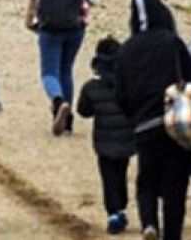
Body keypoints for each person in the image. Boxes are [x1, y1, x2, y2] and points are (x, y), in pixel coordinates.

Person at [115, 0, 191, 240]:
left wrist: (135, 116)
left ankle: (149, 223)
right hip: (176, 121)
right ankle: (172, 234)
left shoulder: (127, 49)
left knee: (147, 180)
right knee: (176, 184)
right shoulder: (172, 42)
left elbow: (120, 94)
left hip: (144, 125)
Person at [21, 0, 96, 135]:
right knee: (66, 70)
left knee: (49, 72)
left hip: (49, 22)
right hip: (76, 23)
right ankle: (68, 119)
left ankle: (57, 102)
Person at [78, 37, 137, 235]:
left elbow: (84, 111)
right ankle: (121, 205)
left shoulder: (92, 87)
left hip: (104, 141)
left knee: (108, 176)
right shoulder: (130, 85)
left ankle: (114, 212)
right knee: (121, 172)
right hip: (127, 139)